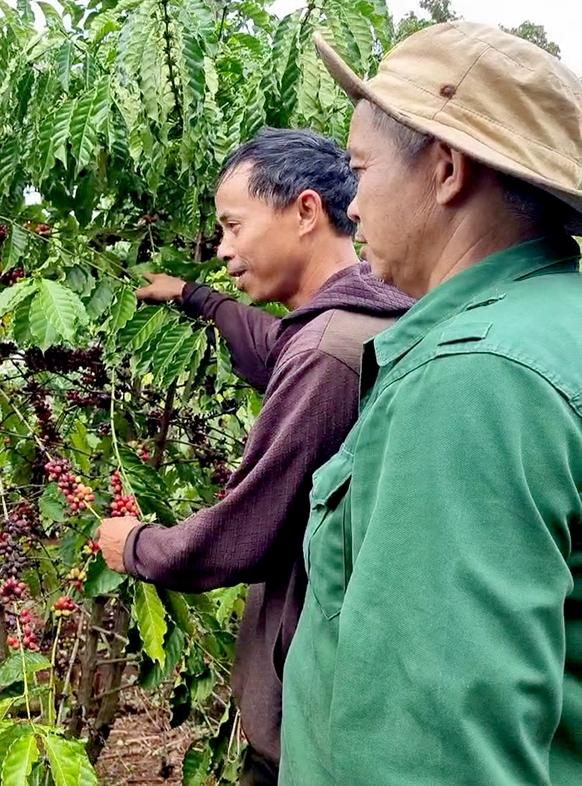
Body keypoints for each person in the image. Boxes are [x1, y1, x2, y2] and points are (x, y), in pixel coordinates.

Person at [279, 23, 582, 785]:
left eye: (361, 169)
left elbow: (439, 751)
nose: (352, 208)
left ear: (445, 169)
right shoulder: (554, 324)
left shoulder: (473, 378)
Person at [96, 128, 412, 784]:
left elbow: (248, 532)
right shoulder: (365, 319)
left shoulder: (328, 354)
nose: (224, 249)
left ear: (304, 211)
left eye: (233, 226)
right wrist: (195, 296)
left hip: (321, 729)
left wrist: (136, 546)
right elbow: (274, 345)